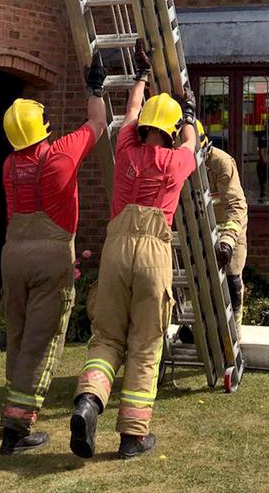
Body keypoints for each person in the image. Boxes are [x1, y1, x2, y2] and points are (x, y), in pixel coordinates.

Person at [70, 42, 196, 460]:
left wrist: (140, 76)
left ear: (144, 126)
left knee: (106, 336)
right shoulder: (176, 161)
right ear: (172, 131)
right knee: (145, 342)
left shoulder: (126, 146)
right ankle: (132, 437)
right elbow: (192, 144)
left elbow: (128, 114)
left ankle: (89, 401)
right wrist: (191, 115)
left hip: (116, 248)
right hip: (154, 250)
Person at [0, 54, 107, 455]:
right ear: (42, 128)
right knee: (42, 343)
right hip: (50, 256)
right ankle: (18, 429)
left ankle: (12, 413)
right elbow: (96, 124)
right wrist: (94, 88)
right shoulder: (61, 154)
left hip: (13, 255)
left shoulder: (9, 165)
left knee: (20, 336)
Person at [198, 121, 248, 332]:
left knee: (232, 282)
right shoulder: (180, 160)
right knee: (201, 281)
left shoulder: (221, 162)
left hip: (230, 228)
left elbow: (236, 206)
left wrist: (227, 241)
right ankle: (202, 328)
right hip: (201, 228)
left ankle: (233, 335)